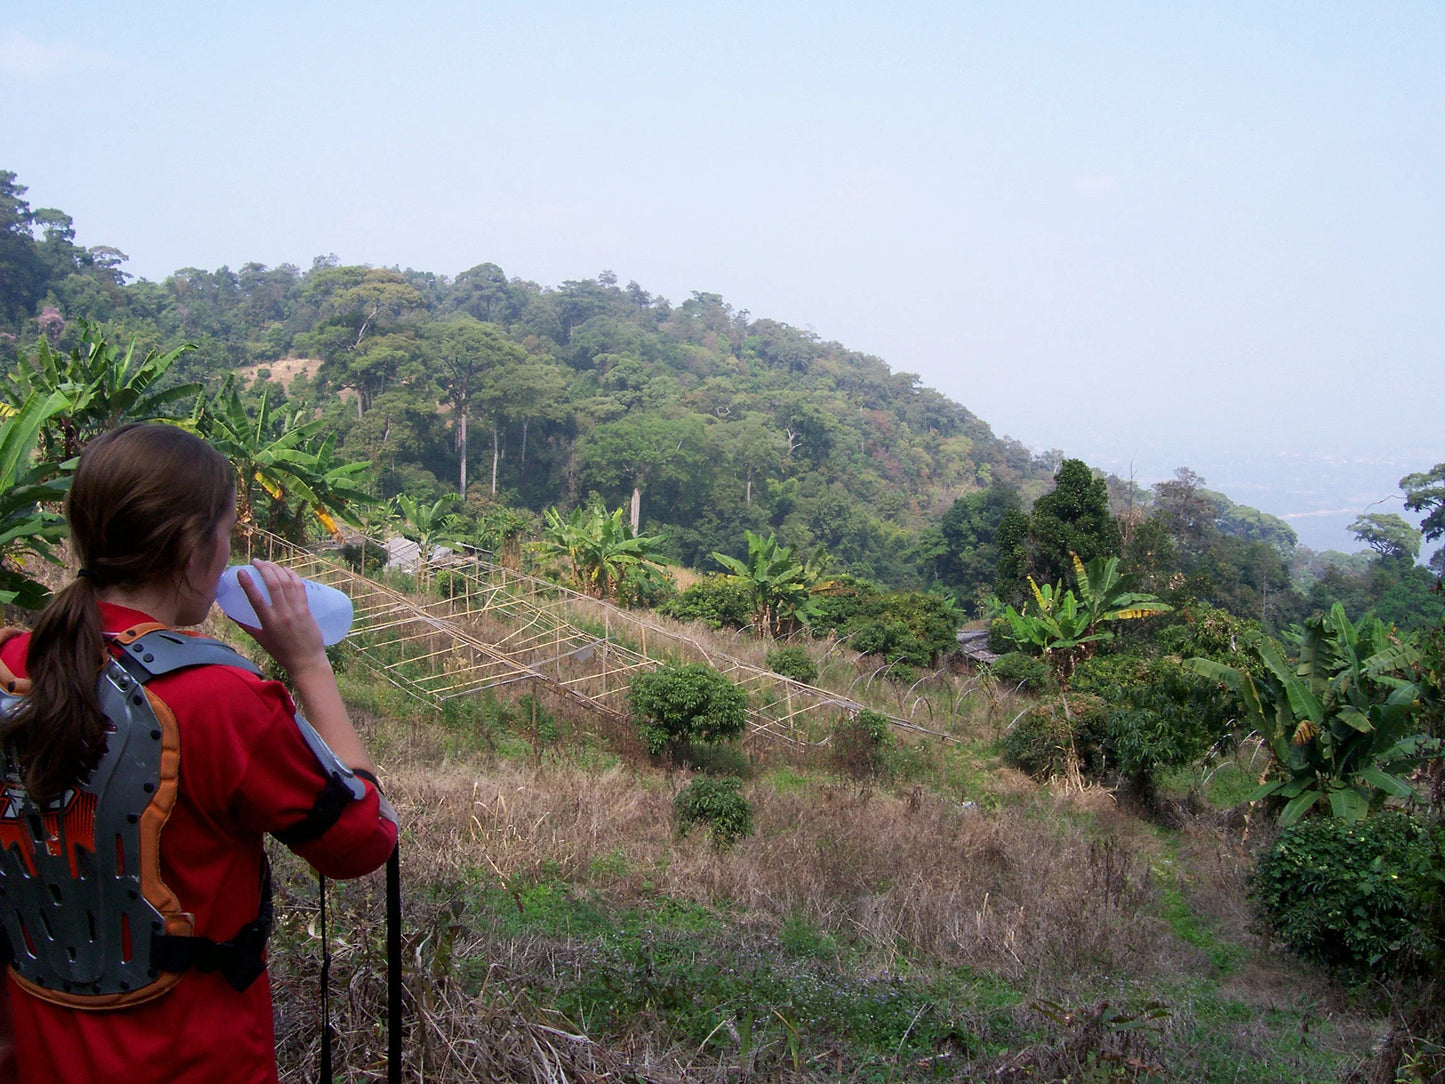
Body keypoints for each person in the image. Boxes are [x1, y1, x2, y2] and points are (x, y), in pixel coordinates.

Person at [0, 423, 398, 1084]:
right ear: (194, 546)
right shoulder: (222, 698)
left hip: (49, 1049)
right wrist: (309, 665)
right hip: (192, 1056)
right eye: (225, 531)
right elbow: (362, 840)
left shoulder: (15, 663)